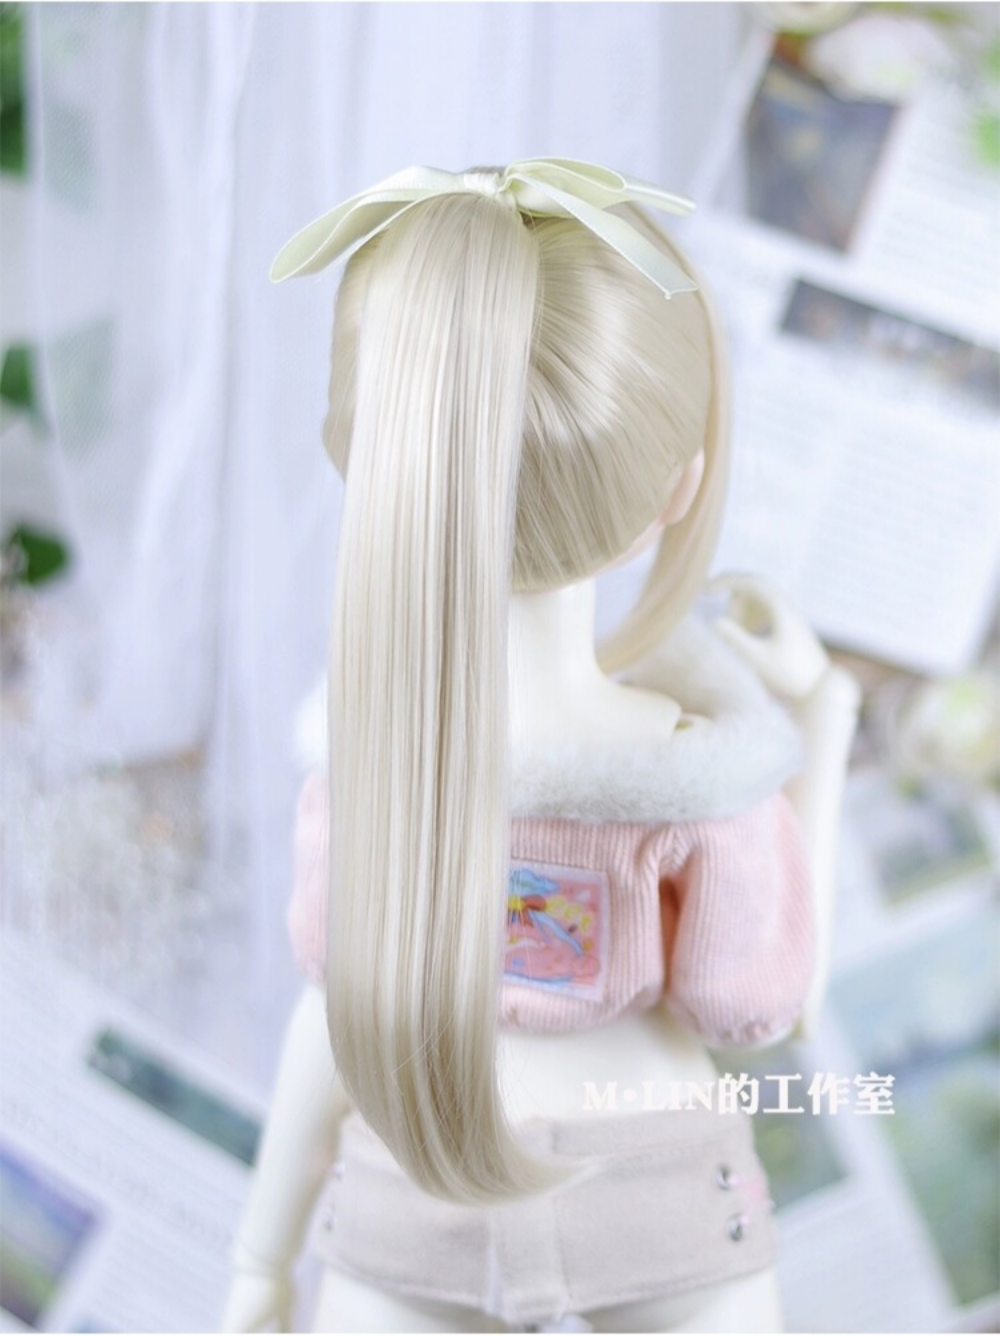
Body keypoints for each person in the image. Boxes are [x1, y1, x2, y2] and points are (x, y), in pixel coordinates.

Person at [221, 160, 860, 1333]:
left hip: (414, 1174)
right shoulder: (698, 784)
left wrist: (256, 1257)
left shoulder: (366, 774)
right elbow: (767, 1006)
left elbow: (333, 1020)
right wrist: (819, 725)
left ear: (366, 463)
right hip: (660, 1187)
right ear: (679, 487)